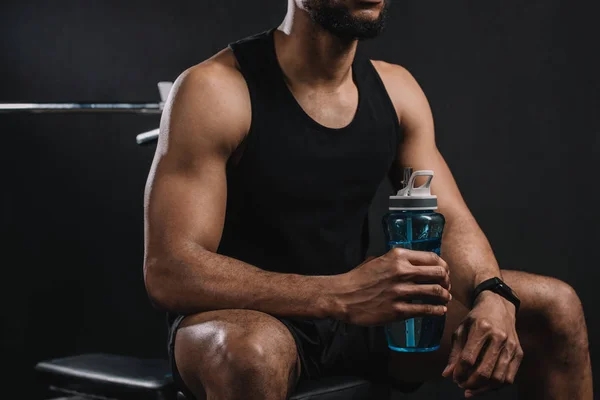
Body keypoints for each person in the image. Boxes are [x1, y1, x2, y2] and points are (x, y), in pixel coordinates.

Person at [142, 0, 593, 399]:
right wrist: (337, 293)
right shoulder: (215, 89)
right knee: (251, 354)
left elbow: (447, 217)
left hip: (363, 316)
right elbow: (169, 269)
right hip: (248, 319)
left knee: (553, 305)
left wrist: (492, 292)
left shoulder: (397, 91)